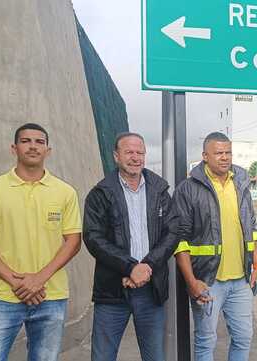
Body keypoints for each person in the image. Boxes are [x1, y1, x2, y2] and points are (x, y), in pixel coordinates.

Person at [0, 123, 82, 361]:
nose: (33, 146)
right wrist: (16, 281)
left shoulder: (65, 192)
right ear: (14, 148)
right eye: (26, 141)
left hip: (51, 296)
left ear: (48, 150)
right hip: (2, 294)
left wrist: (38, 279)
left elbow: (73, 242)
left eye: (40, 142)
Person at [83, 132, 178, 361]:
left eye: (140, 152)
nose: (135, 157)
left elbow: (173, 232)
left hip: (151, 288)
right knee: (103, 356)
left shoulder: (160, 190)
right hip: (113, 291)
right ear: (116, 156)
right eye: (129, 152)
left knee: (155, 356)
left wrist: (146, 267)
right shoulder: (100, 193)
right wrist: (129, 268)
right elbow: (93, 238)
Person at [173, 131, 257, 361]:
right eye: (218, 153)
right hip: (207, 280)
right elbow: (179, 240)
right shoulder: (188, 189)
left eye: (228, 152)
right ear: (205, 156)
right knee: (206, 341)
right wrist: (191, 282)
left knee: (244, 338)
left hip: (241, 280)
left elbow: (251, 228)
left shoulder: (241, 182)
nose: (225, 157)